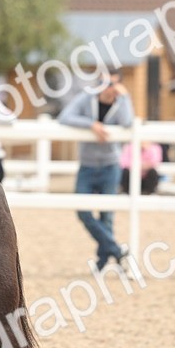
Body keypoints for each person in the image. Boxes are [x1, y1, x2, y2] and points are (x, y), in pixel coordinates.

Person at [58, 70, 134, 268]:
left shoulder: (120, 103)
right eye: (105, 83)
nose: (109, 88)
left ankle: (102, 261)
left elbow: (127, 123)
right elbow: (64, 116)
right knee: (83, 211)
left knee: (107, 215)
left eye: (113, 85)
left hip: (110, 165)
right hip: (88, 165)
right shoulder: (86, 98)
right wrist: (91, 124)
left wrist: (125, 98)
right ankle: (117, 251)